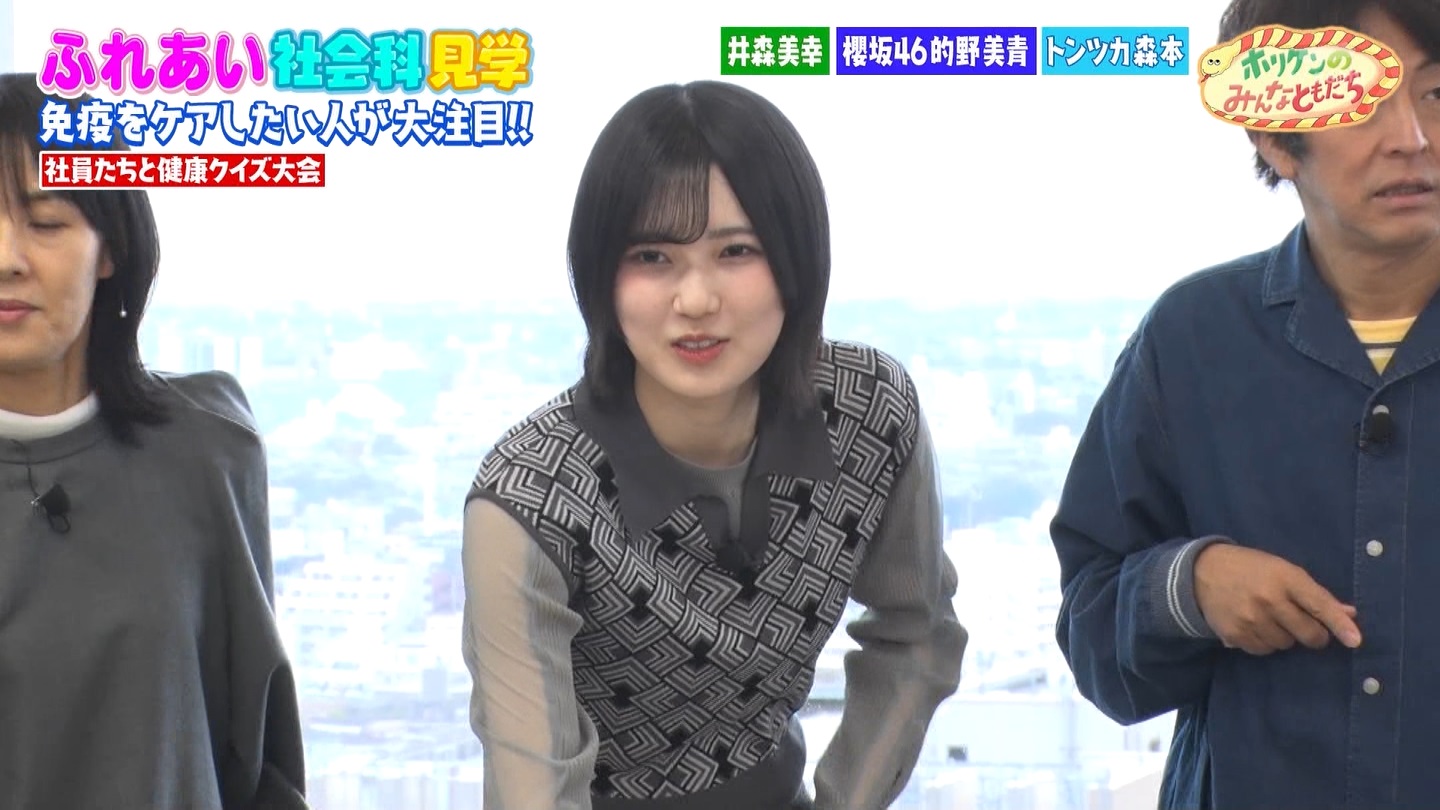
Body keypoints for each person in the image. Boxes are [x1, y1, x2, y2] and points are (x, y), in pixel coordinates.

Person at [460, 80, 967, 809]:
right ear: (600, 276)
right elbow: (534, 789)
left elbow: (917, 634)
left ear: (796, 261)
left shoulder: (867, 411)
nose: (695, 300)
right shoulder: (533, 494)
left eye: (736, 251)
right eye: (652, 257)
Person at [1049, 0, 1440, 807]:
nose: (1412, 137)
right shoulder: (1192, 339)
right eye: (1363, 100)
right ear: (1273, 137)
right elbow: (1090, 633)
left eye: (1435, 93)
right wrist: (1188, 588)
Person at [0, 73, 307, 809]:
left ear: (111, 248)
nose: (7, 256)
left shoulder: (207, 449)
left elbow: (257, 750)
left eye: (47, 223)